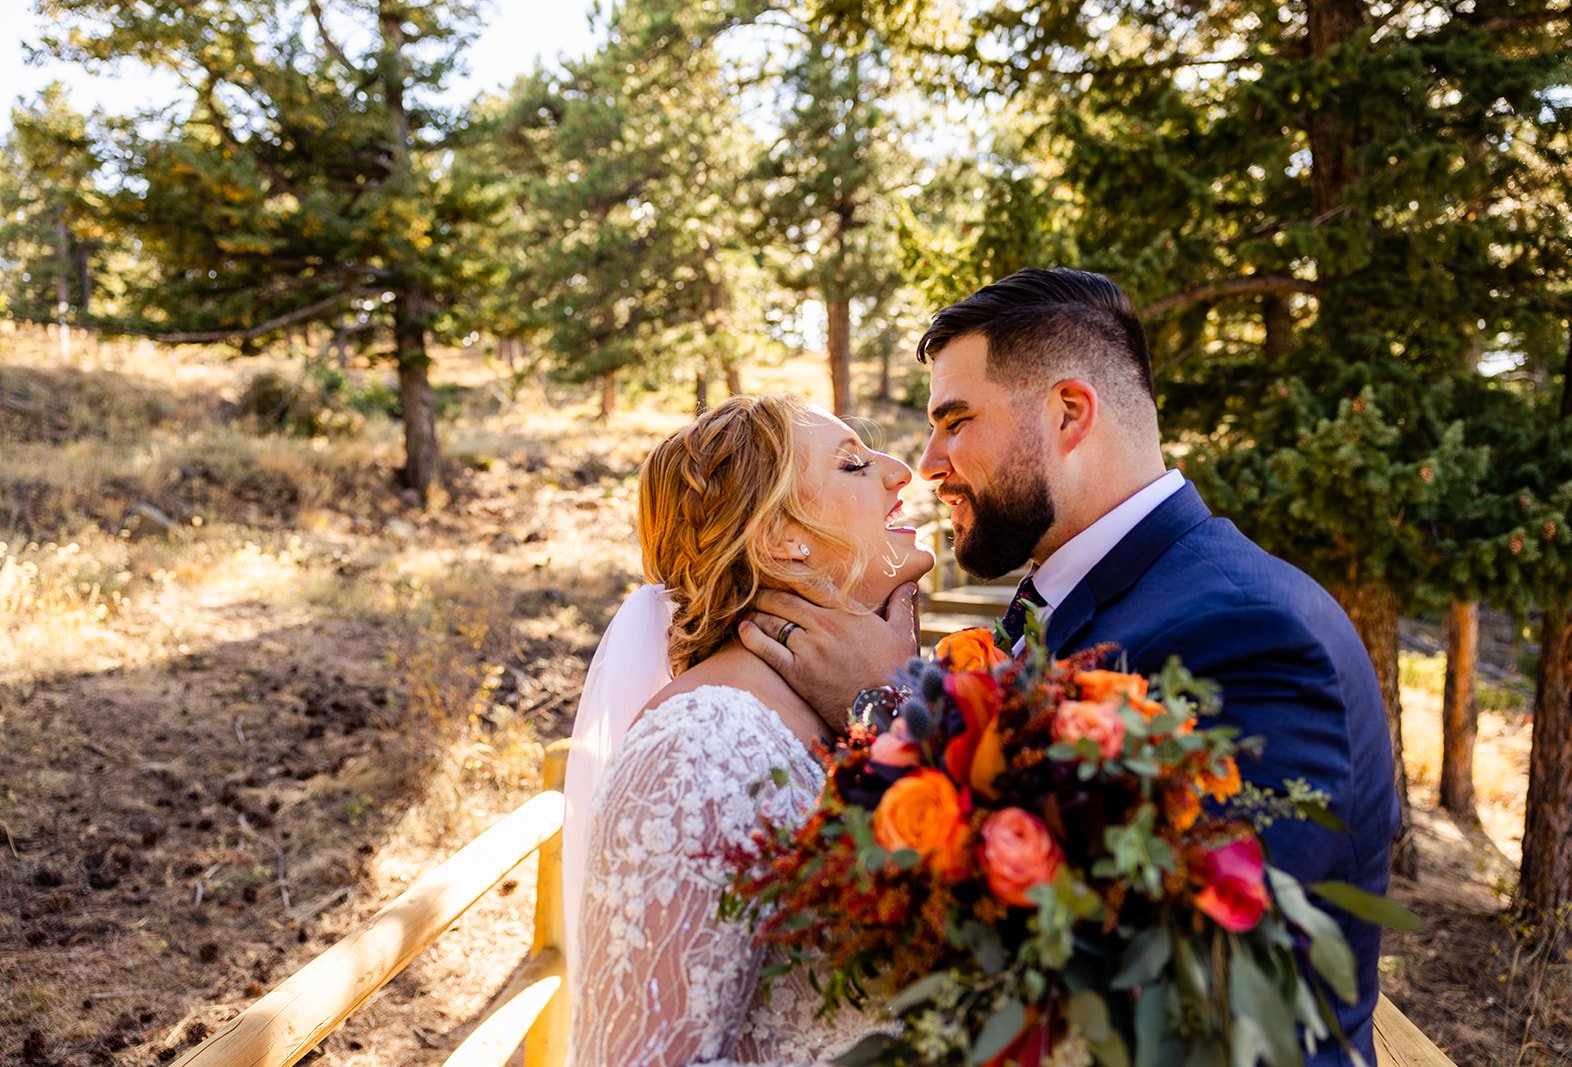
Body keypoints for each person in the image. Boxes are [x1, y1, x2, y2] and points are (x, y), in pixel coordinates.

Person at [741, 268, 1401, 1066]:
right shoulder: (1079, 592)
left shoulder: (1246, 632)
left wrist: (882, 706)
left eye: (955, 421)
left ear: (1068, 412)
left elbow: (1187, 984)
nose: (928, 463)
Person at [564, 393, 931, 1066]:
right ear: (777, 539)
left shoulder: (878, 704)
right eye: (853, 464)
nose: (900, 470)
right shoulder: (697, 747)